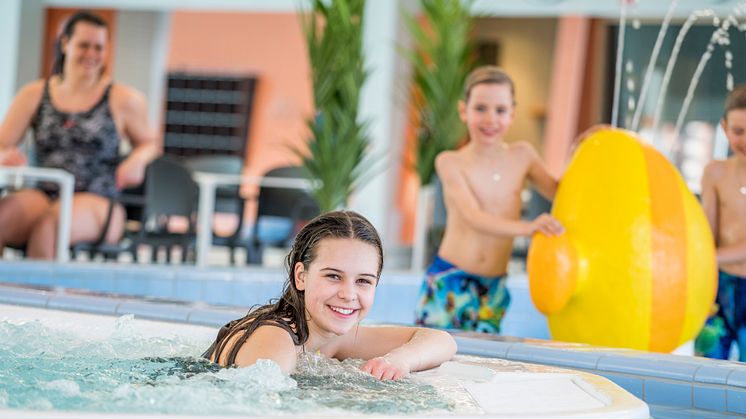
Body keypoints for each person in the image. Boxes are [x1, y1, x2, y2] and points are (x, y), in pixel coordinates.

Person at [415, 65, 589, 333]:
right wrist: (528, 227)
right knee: (429, 360)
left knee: (480, 364)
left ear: (512, 114)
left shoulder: (523, 156)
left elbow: (561, 192)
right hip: (449, 279)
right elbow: (473, 217)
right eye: (481, 108)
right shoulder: (450, 162)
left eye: (500, 110)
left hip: (494, 286)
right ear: (464, 111)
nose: (490, 119)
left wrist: (583, 150)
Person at [203, 210, 457, 380]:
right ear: (300, 276)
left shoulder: (332, 337)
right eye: (333, 276)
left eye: (363, 281)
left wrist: (398, 360)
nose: (349, 294)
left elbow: (441, 340)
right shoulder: (275, 343)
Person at [0, 11, 160, 259]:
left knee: (51, 225)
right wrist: (5, 155)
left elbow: (151, 143)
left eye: (99, 47)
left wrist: (137, 160)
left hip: (99, 202)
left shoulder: (125, 99)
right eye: (84, 45)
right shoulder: (33, 95)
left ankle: (41, 297)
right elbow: (2, 144)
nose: (92, 55)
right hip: (45, 194)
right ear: (65, 44)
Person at [695, 85, 746, 361]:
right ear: (724, 128)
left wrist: (708, 258)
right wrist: (700, 289)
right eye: (738, 131)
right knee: (704, 372)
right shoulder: (715, 173)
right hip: (719, 289)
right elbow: (706, 234)